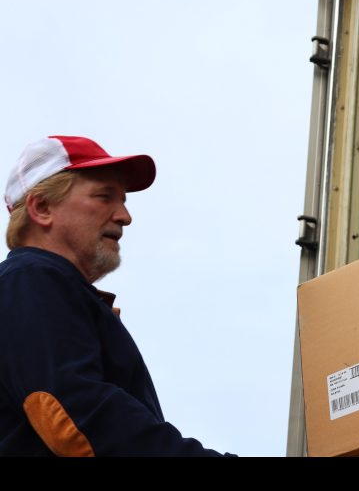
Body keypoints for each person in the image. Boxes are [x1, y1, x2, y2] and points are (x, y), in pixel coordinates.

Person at [0, 135, 232, 456]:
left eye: (122, 200)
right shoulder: (31, 278)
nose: (125, 215)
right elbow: (78, 416)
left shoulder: (39, 286)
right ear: (42, 207)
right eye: (104, 196)